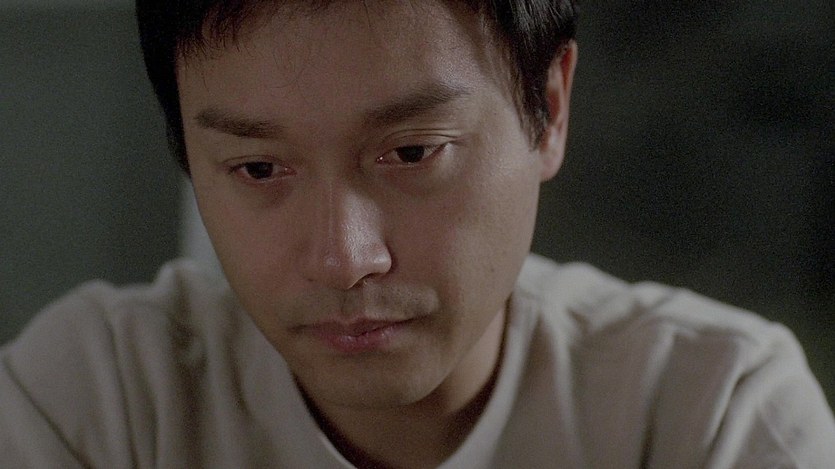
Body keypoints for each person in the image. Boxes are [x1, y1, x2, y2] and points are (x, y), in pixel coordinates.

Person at [1, 0, 833, 467]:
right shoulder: (96, 404)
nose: (343, 258)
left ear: (548, 108)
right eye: (257, 168)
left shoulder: (708, 414)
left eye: (410, 152)